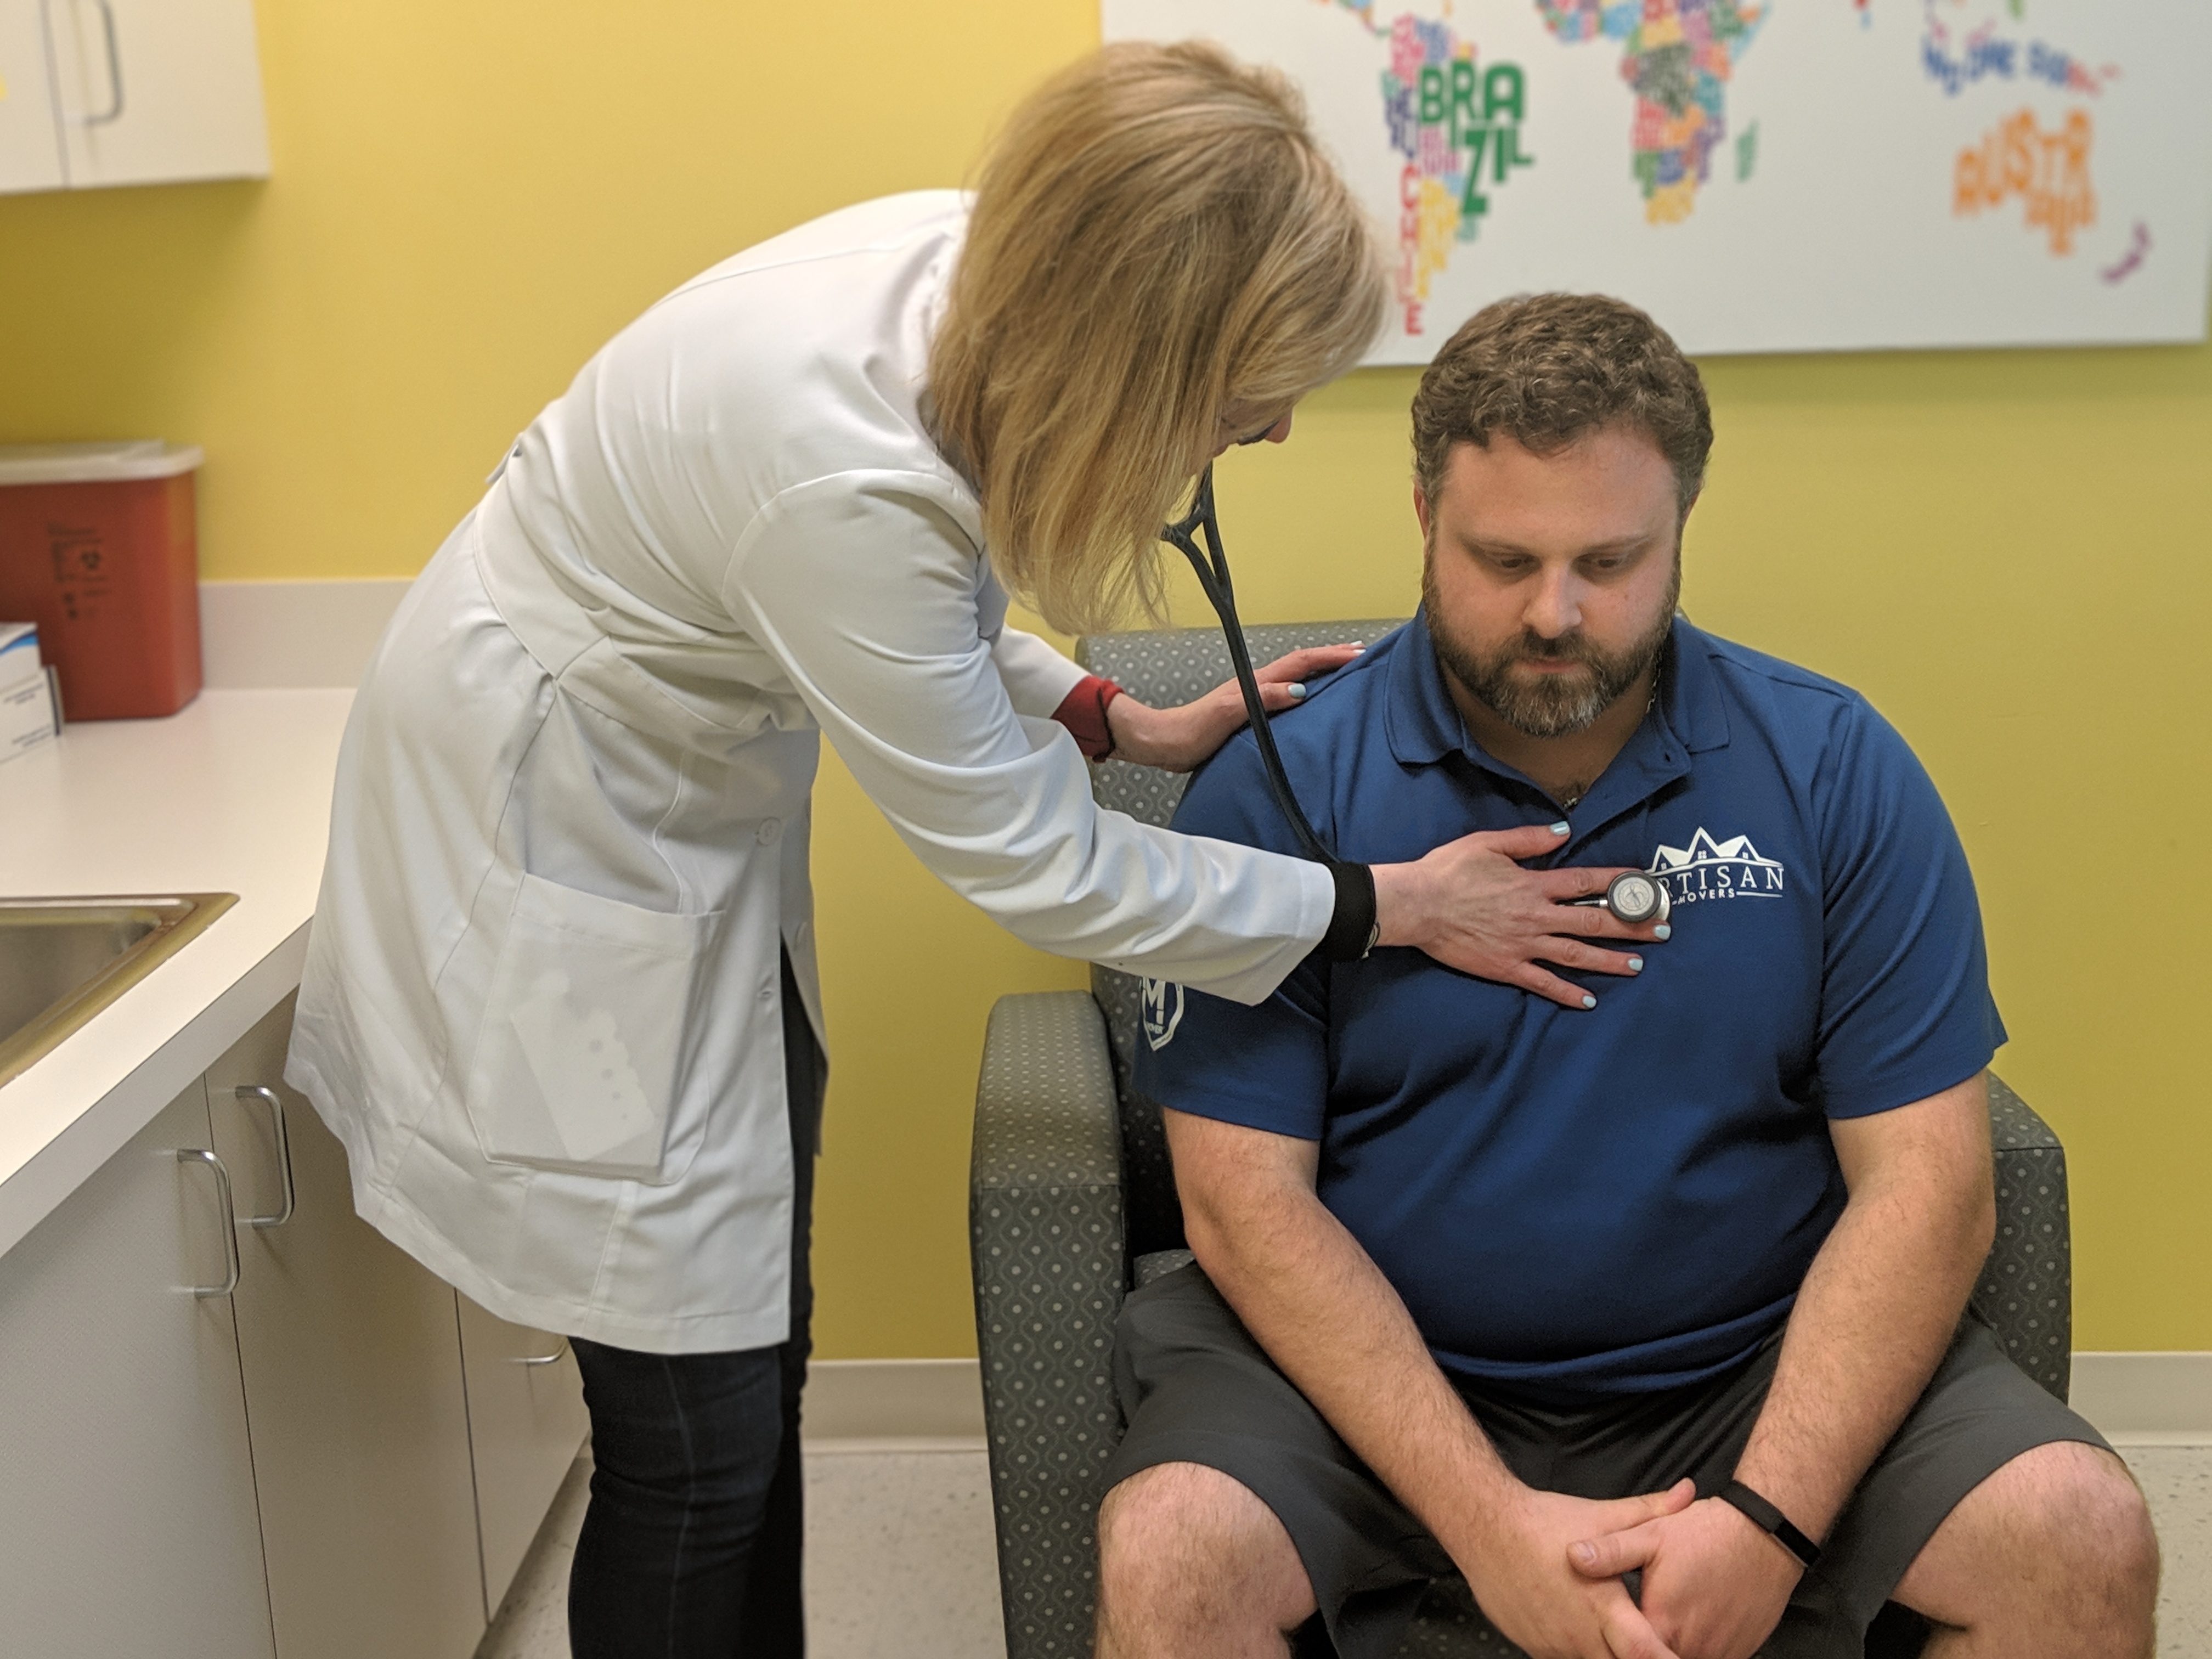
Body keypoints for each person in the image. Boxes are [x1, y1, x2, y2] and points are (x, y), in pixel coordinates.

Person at [284, 43, 1671, 1659]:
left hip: (677, 814)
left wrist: (1108, 714)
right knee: (691, 1446)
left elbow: (903, 600)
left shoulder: (991, 284)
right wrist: (1392, 907)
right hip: (554, 839)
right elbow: (1039, 858)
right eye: (1250, 393)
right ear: (1142, 352)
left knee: (754, 1350)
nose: (1280, 429)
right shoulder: (841, 464)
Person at [1095, 294, 2160, 1659]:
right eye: (1504, 559)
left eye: (1610, 561)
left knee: (2077, 1532)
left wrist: (1768, 1519)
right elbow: (1242, 1207)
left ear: (1682, 528)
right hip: (1357, 1390)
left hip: (1751, 1369)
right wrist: (1490, 1525)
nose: (1555, 613)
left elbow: (1930, 1185)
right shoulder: (1278, 787)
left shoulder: (1834, 769)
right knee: (1178, 1553)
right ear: (1423, 514)